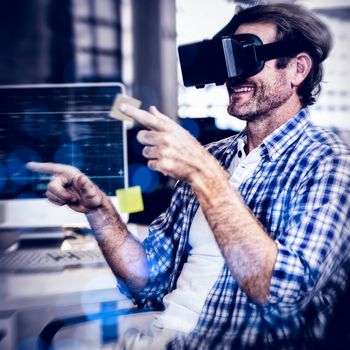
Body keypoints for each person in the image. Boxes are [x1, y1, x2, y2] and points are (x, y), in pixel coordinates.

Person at [27, 3, 350, 349]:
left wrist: (203, 173)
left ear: (298, 69)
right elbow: (148, 279)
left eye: (246, 57)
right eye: (227, 59)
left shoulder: (331, 165)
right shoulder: (214, 156)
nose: (233, 75)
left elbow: (279, 294)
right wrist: (99, 211)